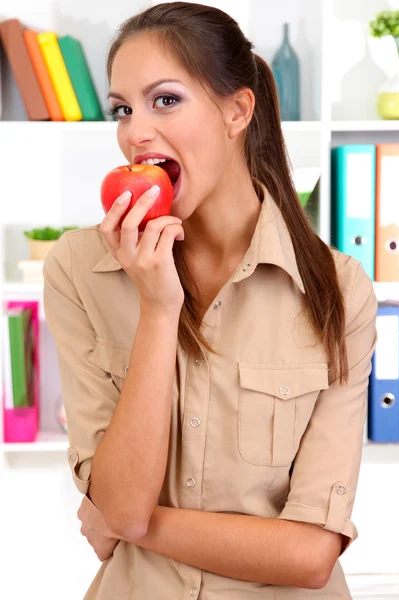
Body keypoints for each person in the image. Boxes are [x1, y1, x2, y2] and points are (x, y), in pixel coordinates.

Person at [42, 2, 378, 598]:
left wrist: (134, 524)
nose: (134, 133)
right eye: (122, 109)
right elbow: (119, 502)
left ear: (237, 110)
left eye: (164, 100)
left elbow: (309, 556)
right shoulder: (78, 268)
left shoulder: (339, 288)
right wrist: (157, 307)